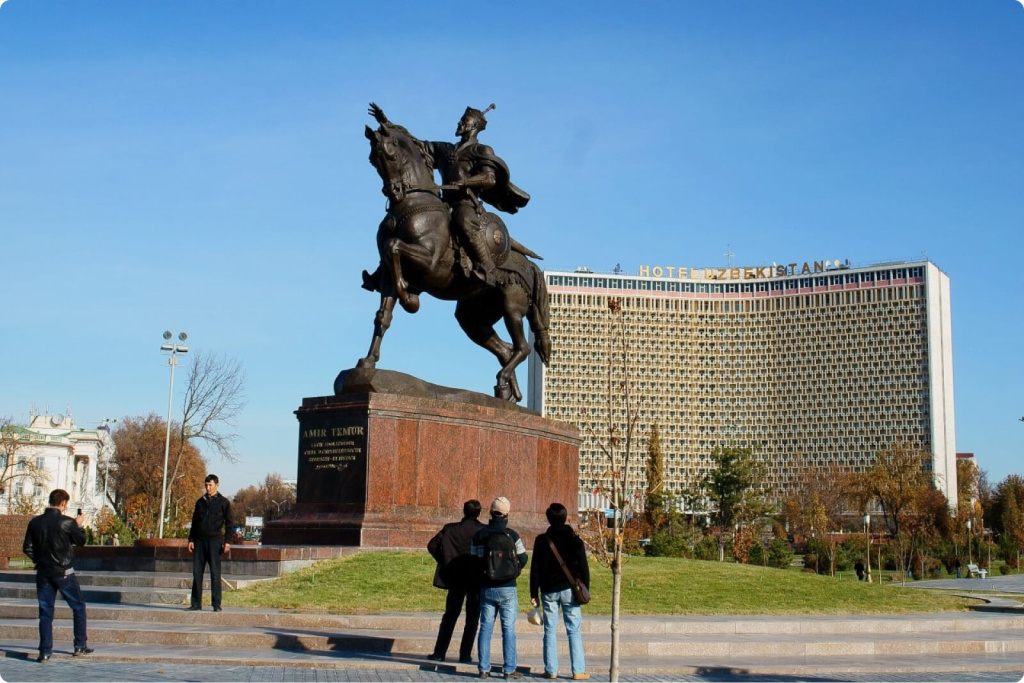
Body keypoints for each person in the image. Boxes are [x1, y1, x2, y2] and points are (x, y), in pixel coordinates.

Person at [421, 105, 530, 286]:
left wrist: (466, 182)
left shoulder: (482, 151)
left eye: (464, 120)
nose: (459, 123)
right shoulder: (445, 149)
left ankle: (487, 269)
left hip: (465, 204)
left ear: (474, 124)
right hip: (443, 202)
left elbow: (489, 178)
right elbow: (419, 146)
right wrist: (389, 126)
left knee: (464, 222)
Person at [22, 489, 92, 661]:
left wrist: (40, 560)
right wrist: (78, 524)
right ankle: (79, 645)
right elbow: (81, 541)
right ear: (63, 503)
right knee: (78, 607)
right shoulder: (67, 522)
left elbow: (27, 548)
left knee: (45, 612)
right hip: (64, 572)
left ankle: (45, 651)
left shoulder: (35, 522)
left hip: (43, 572)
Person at [529, 503, 590, 681]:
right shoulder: (575, 540)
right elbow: (584, 567)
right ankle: (578, 670)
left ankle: (551, 669)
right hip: (571, 589)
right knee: (574, 630)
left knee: (549, 630)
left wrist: (533, 593)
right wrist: (585, 588)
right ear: (565, 518)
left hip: (548, 590)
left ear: (548, 519)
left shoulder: (542, 540)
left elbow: (535, 569)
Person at [471, 497, 528, 679]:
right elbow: (524, 558)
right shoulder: (512, 535)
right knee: (508, 630)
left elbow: (474, 560)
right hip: (508, 587)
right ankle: (509, 669)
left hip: (487, 586)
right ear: (507, 514)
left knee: (485, 628)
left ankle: (483, 668)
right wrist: (512, 571)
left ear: (490, 511)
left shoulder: (480, 535)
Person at [426, 499, 486, 663]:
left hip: (455, 577)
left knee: (450, 616)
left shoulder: (450, 529)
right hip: (475, 579)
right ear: (479, 513)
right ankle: (465, 654)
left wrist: (445, 561)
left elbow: (432, 545)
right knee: (472, 618)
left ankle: (439, 652)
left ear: (464, 511)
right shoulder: (483, 531)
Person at [187, 474, 233, 611]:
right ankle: (196, 603)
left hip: (214, 542)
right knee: (197, 573)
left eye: (210, 485)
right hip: (199, 542)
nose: (208, 488)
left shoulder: (224, 502)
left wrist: (227, 541)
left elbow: (229, 523)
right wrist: (191, 539)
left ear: (217, 485)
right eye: (206, 485)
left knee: (215, 574)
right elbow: (194, 523)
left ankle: (216, 604)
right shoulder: (200, 502)